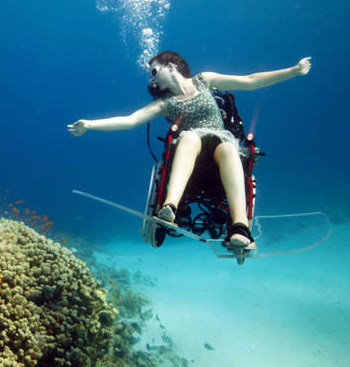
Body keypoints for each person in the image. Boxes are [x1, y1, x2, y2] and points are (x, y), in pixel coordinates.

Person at [67, 51, 311, 251]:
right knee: (190, 137)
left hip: (219, 145)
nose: (151, 80)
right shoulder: (164, 104)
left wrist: (293, 70)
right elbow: (130, 120)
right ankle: (170, 207)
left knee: (228, 147)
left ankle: (239, 227)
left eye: (154, 72)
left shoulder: (204, 80)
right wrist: (90, 124)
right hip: (188, 150)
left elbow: (250, 80)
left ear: (171, 66)